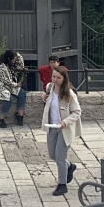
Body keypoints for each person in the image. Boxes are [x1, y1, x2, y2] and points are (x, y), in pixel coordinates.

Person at [40, 65, 82, 196]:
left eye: (58, 78)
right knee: (53, 154)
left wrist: (65, 122)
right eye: (53, 77)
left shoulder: (70, 94)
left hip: (64, 129)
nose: (55, 80)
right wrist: (44, 98)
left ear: (64, 79)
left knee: (60, 157)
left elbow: (77, 112)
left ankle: (62, 184)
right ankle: (69, 166)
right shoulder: (49, 88)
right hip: (52, 127)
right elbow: (50, 103)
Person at [0, 50, 26, 128]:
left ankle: (20, 115)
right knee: (9, 98)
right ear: (9, 58)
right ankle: (1, 118)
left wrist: (20, 58)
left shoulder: (8, 64)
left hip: (8, 85)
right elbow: (4, 80)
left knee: (22, 93)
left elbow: (21, 67)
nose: (13, 61)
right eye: (13, 59)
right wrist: (15, 85)